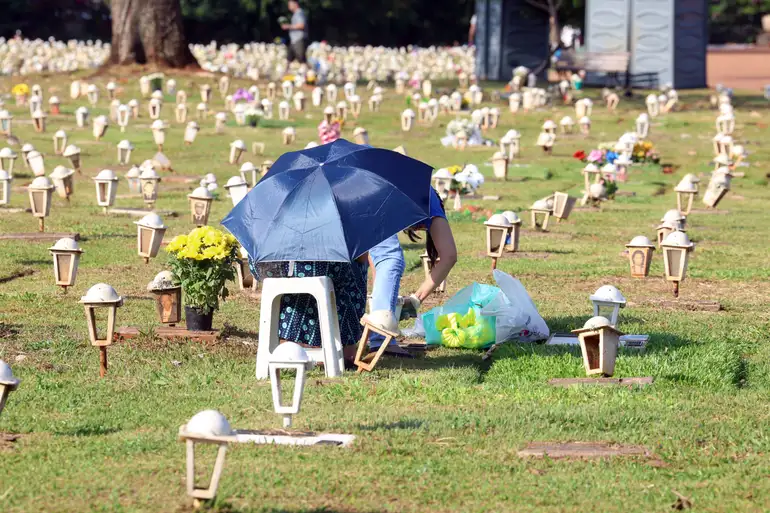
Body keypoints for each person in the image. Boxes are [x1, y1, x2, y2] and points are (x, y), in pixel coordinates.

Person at [366, 187, 458, 353]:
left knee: (378, 263)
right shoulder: (430, 203)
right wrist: (417, 299)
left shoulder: (410, 196)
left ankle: (359, 337)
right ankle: (381, 339)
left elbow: (377, 266)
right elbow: (449, 256)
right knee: (391, 259)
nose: (416, 230)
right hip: (373, 202)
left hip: (358, 203)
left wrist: (407, 300)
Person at [250, 257, 368, 365]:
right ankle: (346, 348)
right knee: (355, 266)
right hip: (322, 267)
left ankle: (289, 341)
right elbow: (361, 256)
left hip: (267, 266)